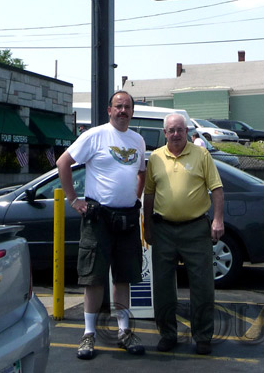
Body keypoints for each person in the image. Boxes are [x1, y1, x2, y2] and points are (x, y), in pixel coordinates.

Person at [57, 91, 146, 360]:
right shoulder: (95, 135)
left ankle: (124, 332)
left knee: (123, 277)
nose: (123, 111)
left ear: (132, 111)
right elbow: (63, 162)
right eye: (118, 106)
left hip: (127, 219)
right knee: (93, 278)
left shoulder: (138, 140)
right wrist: (73, 199)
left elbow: (141, 171)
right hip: (98, 218)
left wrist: (136, 197)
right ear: (109, 110)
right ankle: (88, 334)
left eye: (127, 107)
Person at [143, 112, 224, 356]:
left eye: (180, 129)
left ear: (187, 131)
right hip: (164, 229)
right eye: (171, 130)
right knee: (163, 287)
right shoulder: (155, 158)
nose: (176, 134)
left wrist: (218, 219)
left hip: (196, 228)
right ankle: (167, 334)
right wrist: (147, 226)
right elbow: (149, 194)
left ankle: (203, 337)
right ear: (165, 133)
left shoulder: (202, 155)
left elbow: (217, 189)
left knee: (202, 285)